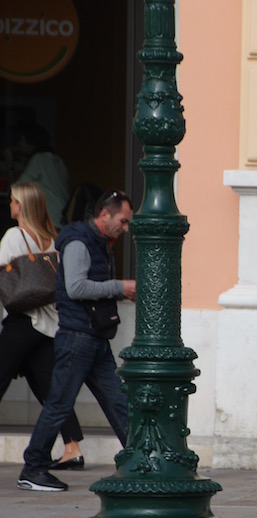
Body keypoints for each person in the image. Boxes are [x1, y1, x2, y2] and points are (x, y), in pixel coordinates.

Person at [17, 190, 136, 492]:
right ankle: (33, 467)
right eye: (123, 221)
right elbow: (77, 287)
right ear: (104, 215)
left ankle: (139, 459)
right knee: (59, 403)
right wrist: (120, 287)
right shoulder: (79, 242)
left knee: (119, 400)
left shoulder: (99, 242)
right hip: (77, 337)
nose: (126, 228)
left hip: (94, 337)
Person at [0, 182, 86, 469]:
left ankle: (69, 448)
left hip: (22, 321)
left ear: (21, 205)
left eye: (13, 200)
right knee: (52, 389)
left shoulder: (14, 236)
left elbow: (3, 279)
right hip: (48, 326)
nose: (10, 205)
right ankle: (72, 447)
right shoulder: (53, 240)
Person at [10, 122, 69, 230]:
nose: (18, 145)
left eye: (20, 141)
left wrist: (10, 165)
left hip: (49, 221)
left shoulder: (38, 160)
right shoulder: (57, 160)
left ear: (27, 140)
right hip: (61, 220)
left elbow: (17, 191)